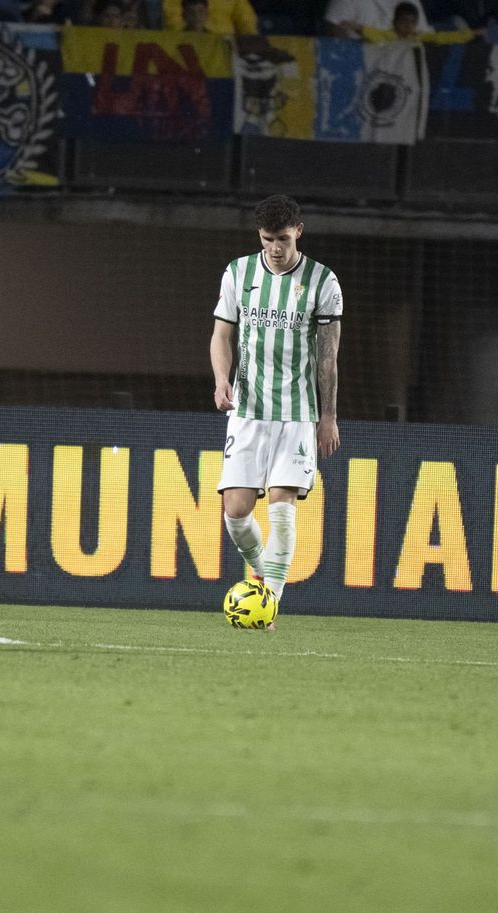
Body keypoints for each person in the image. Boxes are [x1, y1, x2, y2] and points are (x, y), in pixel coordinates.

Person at [211, 194, 342, 628]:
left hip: (297, 413)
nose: (275, 248)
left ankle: (270, 605)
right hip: (248, 410)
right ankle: (264, 575)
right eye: (268, 239)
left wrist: (328, 417)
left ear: (298, 232)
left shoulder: (323, 282)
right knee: (235, 512)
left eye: (283, 239)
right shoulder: (238, 272)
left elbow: (328, 358)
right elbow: (221, 335)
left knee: (282, 506)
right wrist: (220, 378)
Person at [165, 0, 256, 31]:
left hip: (225, 47)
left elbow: (246, 20)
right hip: (188, 44)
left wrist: (251, 42)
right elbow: (172, 20)